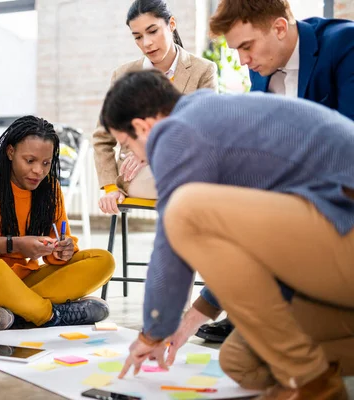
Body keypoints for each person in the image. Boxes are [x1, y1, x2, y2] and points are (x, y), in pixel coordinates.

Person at [99, 69, 353, 399]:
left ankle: (313, 382)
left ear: (143, 126)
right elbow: (245, 251)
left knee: (183, 209)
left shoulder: (177, 132)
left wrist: (153, 332)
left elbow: (171, 244)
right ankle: (307, 371)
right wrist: (190, 320)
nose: (137, 157)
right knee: (243, 364)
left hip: (343, 225)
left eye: (127, 144)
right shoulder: (206, 119)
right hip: (331, 240)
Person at [196, 0, 354, 345]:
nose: (242, 60)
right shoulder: (262, 66)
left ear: (280, 28)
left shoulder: (345, 47)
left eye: (246, 46)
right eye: (236, 49)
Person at [0, 116, 115, 332]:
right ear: (10, 152)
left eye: (46, 163)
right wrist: (15, 245)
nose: (39, 170)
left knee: (103, 260)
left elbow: (59, 241)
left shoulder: (50, 189)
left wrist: (62, 250)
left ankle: (12, 313)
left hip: (21, 283)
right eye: (30, 161)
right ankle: (49, 315)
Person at [93, 0, 217, 214]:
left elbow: (205, 130)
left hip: (185, 162)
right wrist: (111, 187)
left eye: (153, 31)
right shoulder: (122, 75)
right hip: (136, 175)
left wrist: (153, 151)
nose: (147, 43)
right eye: (138, 37)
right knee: (193, 189)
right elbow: (102, 138)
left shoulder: (203, 70)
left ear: (171, 24)